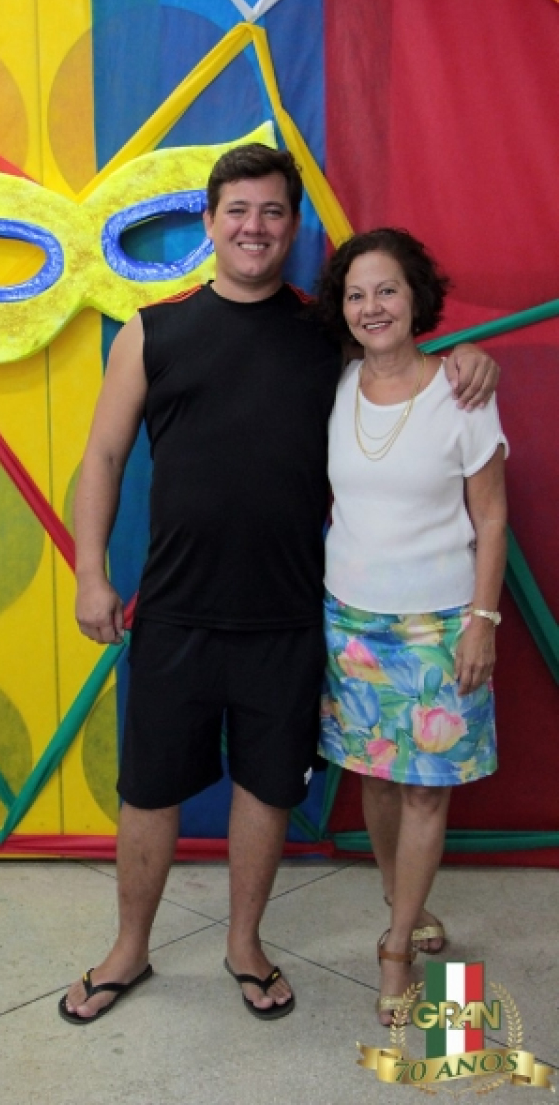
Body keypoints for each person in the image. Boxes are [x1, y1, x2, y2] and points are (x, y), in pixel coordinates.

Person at [60, 146, 499, 1025]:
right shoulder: (152, 331)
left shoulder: (326, 335)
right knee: (148, 788)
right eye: (238, 210)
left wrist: (470, 355)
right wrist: (90, 570)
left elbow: (402, 358)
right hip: (175, 609)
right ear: (209, 221)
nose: (254, 226)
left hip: (292, 616)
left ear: (293, 227)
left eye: (271, 212)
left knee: (266, 787)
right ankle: (128, 948)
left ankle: (245, 945)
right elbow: (102, 456)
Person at [315, 228, 508, 1025]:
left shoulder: (462, 391)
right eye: (356, 294)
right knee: (380, 778)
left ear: (416, 296)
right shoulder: (336, 382)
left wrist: (482, 622)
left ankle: (396, 949)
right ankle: (405, 900)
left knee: (427, 788)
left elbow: (491, 519)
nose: (372, 307)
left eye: (387, 289)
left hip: (440, 622)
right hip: (351, 620)